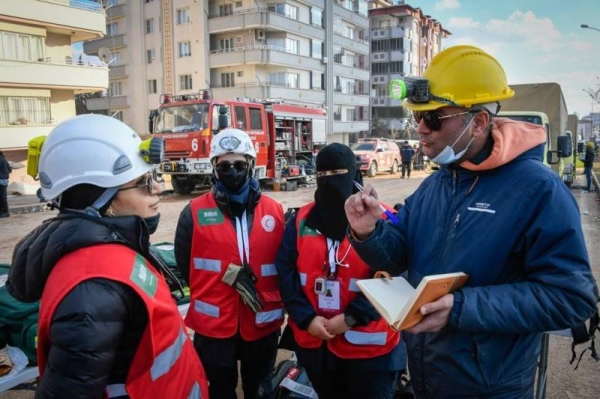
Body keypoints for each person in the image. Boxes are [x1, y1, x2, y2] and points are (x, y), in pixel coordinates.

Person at [344, 45, 598, 398]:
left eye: (432, 117)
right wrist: (368, 230)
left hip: (491, 389)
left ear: (478, 121)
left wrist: (462, 308)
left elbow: (571, 298)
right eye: (417, 116)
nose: (419, 128)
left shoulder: (538, 190)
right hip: (427, 380)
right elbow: (397, 256)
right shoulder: (436, 184)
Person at [6, 114, 208, 398]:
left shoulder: (112, 251)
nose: (158, 188)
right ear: (101, 199)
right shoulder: (93, 289)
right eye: (143, 181)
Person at [276, 143, 405, 399]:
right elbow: (285, 271)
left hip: (369, 352)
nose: (329, 181)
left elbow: (397, 277)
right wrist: (306, 319)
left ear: (354, 176)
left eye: (337, 173)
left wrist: (350, 319)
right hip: (316, 344)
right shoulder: (301, 220)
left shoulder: (383, 218)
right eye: (322, 176)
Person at [175, 128, 285, 399]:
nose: (232, 171)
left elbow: (285, 264)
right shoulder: (193, 213)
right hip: (214, 327)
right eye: (224, 165)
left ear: (250, 165)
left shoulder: (274, 211)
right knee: (221, 391)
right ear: (214, 167)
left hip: (261, 323)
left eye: (239, 164)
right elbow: (185, 264)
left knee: (259, 390)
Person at [0, 150, 11, 218]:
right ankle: (2, 211)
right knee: (1, 196)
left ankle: (6, 212)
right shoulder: (3, 159)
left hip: (1, 180)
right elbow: (9, 169)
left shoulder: (0, 159)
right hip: (3, 179)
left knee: (2, 196)